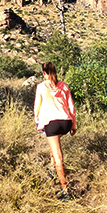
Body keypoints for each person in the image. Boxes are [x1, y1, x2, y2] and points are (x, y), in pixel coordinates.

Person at [33, 61, 77, 200]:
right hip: (66, 122)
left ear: (44, 73)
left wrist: (38, 122)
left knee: (59, 157)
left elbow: (37, 107)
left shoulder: (41, 87)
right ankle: (53, 166)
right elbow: (71, 106)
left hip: (51, 123)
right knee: (55, 143)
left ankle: (65, 191)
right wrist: (74, 125)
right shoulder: (63, 85)